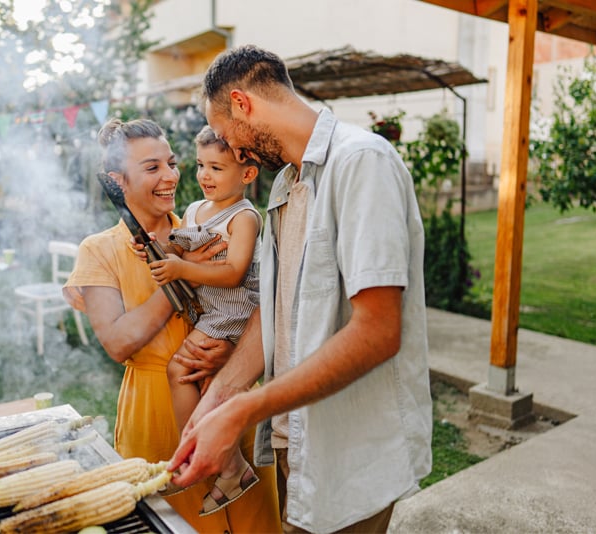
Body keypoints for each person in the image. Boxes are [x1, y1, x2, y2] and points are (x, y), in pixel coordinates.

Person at [168, 45, 433, 533]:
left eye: (228, 136)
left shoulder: (361, 162)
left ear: (242, 103)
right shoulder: (285, 184)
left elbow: (377, 331)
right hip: (298, 444)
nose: (236, 153)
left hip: (353, 453)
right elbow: (277, 310)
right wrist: (220, 397)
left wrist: (246, 407)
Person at [62, 117, 281, 533]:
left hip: (230, 397)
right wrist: (179, 276)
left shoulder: (208, 225)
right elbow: (118, 342)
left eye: (172, 162)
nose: (171, 177)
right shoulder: (99, 251)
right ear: (117, 181)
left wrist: (234, 350)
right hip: (158, 415)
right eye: (151, 168)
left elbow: (255, 299)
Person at [148, 125, 262, 516]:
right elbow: (181, 244)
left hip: (231, 311)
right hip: (207, 310)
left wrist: (180, 269)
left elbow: (233, 272)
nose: (204, 176)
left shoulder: (244, 217)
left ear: (247, 174)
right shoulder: (196, 209)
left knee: (179, 369)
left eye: (216, 167)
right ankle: (231, 468)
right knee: (207, 382)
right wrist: (156, 247)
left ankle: (197, 451)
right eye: (200, 165)